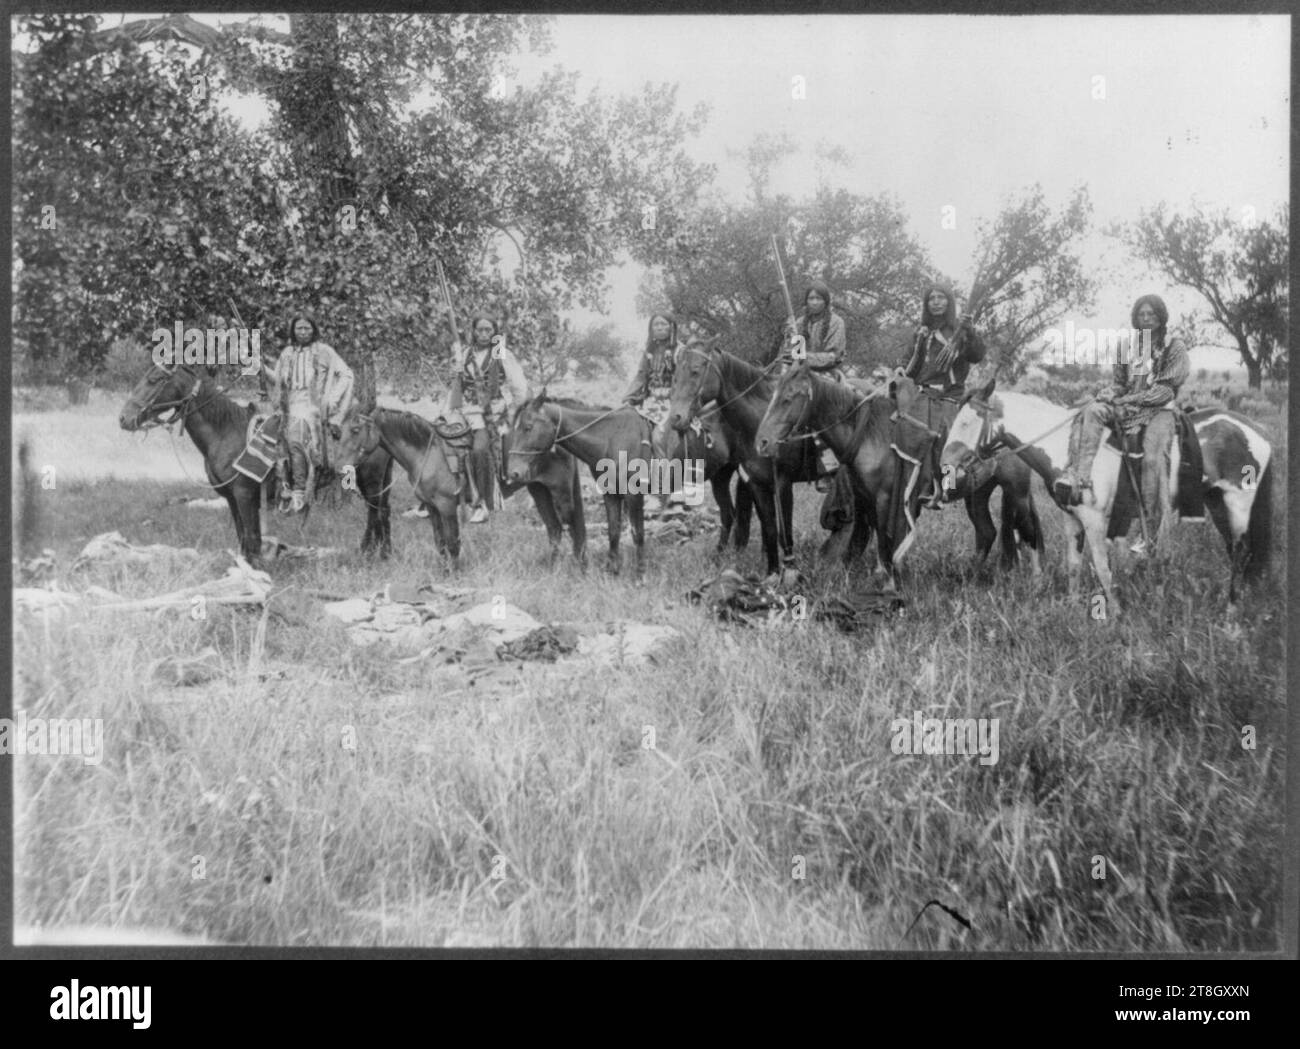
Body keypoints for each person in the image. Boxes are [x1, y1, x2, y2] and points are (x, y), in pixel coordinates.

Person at [1053, 294, 1190, 552]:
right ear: (1135, 319)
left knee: (1152, 459)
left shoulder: (1174, 347)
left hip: (1159, 410)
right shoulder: (1127, 346)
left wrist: (1128, 400)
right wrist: (1109, 393)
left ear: (1161, 317)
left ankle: (1148, 533)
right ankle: (1079, 478)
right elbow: (1119, 381)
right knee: (1089, 412)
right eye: (1141, 314)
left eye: (1151, 314)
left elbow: (1166, 390)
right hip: (1126, 406)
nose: (1146, 318)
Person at [899, 283, 987, 508]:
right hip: (924, 393)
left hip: (951, 395)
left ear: (949, 302)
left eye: (941, 297)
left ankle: (947, 487)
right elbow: (909, 361)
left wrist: (970, 331)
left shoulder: (960, 330)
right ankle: (921, 486)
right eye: (932, 298)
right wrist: (901, 369)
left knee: (946, 442)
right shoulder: (922, 331)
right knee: (912, 437)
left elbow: (976, 355)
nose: (936, 302)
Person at [447, 315, 529, 524]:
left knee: (479, 450)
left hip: (493, 414)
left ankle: (482, 504)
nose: (483, 334)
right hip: (466, 412)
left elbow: (519, 388)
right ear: (473, 331)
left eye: (488, 330)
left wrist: (511, 413)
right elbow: (456, 388)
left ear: (494, 332)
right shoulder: (464, 354)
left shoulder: (500, 353)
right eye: (479, 330)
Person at [271, 314, 354, 514]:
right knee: (266, 435)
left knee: (296, 438)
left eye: (307, 328)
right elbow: (277, 380)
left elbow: (346, 374)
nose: (303, 332)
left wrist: (332, 399)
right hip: (289, 404)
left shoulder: (325, 351)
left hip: (313, 407)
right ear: (293, 331)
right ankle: (279, 487)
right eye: (299, 328)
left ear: (313, 330)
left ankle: (299, 491)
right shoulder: (287, 353)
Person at [781, 280, 848, 490]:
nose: (814, 302)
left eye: (819, 298)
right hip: (800, 375)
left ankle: (828, 468)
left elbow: (833, 355)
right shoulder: (798, 323)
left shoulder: (836, 322)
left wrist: (805, 357)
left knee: (821, 412)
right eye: (811, 298)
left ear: (826, 301)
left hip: (826, 376)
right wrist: (791, 338)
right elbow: (789, 354)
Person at [622, 313, 689, 511]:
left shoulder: (680, 350)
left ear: (671, 327)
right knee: (635, 437)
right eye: (656, 324)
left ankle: (663, 493)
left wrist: (680, 400)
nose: (659, 328)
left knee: (659, 438)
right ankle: (638, 490)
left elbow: (684, 379)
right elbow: (641, 376)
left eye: (663, 324)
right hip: (649, 401)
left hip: (673, 401)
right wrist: (628, 397)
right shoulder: (648, 352)